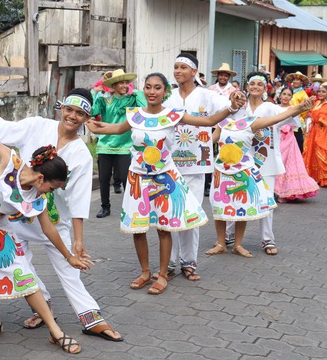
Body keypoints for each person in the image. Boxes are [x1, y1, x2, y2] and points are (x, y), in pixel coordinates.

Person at [0, 85, 122, 342]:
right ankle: (42, 304)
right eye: (69, 109)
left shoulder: (82, 155)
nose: (72, 116)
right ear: (62, 107)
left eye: (80, 114)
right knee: (20, 262)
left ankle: (90, 317)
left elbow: (79, 198)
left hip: (52, 219)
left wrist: (78, 239)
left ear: (87, 119)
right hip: (16, 214)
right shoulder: (38, 126)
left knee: (68, 266)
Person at [0, 80, 91, 354]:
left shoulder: (36, 197)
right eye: (52, 187)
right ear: (41, 178)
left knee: (24, 274)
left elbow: (50, 230)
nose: (50, 193)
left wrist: (69, 256)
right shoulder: (10, 160)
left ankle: (56, 331)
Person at [87, 72, 236, 295]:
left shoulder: (173, 115)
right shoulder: (135, 115)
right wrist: (90, 123)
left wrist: (231, 108)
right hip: (137, 179)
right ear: (143, 90)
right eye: (148, 87)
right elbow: (115, 129)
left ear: (165, 92)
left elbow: (208, 122)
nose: (152, 92)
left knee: (163, 228)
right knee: (138, 228)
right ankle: (146, 272)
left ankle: (164, 274)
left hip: (164, 178)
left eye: (157, 88)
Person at [205, 92, 315, 256]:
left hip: (243, 171)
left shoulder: (251, 122)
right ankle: (221, 243)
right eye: (236, 98)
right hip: (222, 171)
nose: (240, 101)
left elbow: (277, 118)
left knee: (242, 207)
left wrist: (298, 108)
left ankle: (238, 245)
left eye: (242, 98)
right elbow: (209, 141)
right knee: (220, 207)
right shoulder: (223, 122)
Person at [163, 53, 231, 283]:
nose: (178, 71)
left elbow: (229, 108)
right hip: (169, 163)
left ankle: (188, 262)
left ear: (194, 72)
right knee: (170, 213)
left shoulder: (207, 95)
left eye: (183, 67)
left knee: (190, 213)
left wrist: (237, 101)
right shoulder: (168, 97)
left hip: (197, 164)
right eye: (175, 67)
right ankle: (169, 262)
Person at [220, 72, 299, 256]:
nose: (255, 87)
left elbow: (290, 113)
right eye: (252, 84)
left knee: (266, 201)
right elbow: (221, 121)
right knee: (237, 196)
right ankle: (229, 234)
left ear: (265, 89)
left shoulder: (271, 108)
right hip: (240, 161)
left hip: (266, 161)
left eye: (259, 84)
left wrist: (302, 108)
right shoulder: (239, 109)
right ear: (247, 87)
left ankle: (267, 239)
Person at [91, 69, 145, 219]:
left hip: (125, 146)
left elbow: (145, 108)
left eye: (126, 82)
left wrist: (137, 94)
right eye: (121, 82)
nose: (125, 85)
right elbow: (92, 110)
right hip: (105, 144)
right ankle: (105, 207)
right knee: (104, 178)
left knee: (126, 178)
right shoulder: (104, 99)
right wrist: (95, 92)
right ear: (113, 86)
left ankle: (130, 207)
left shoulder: (132, 99)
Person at [274, 87, 320, 202]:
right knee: (276, 163)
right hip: (275, 137)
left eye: (288, 95)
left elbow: (296, 124)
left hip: (288, 138)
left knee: (286, 164)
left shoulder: (293, 108)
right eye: (284, 94)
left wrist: (286, 127)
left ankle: (285, 192)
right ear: (280, 95)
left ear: (291, 97)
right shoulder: (274, 108)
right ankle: (274, 190)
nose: (285, 97)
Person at [287, 72, 310, 151]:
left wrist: (300, 116)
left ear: (301, 82)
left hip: (298, 120)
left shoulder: (303, 94)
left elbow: (306, 108)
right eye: (294, 80)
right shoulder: (289, 91)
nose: (295, 82)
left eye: (298, 80)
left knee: (298, 141)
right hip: (286, 118)